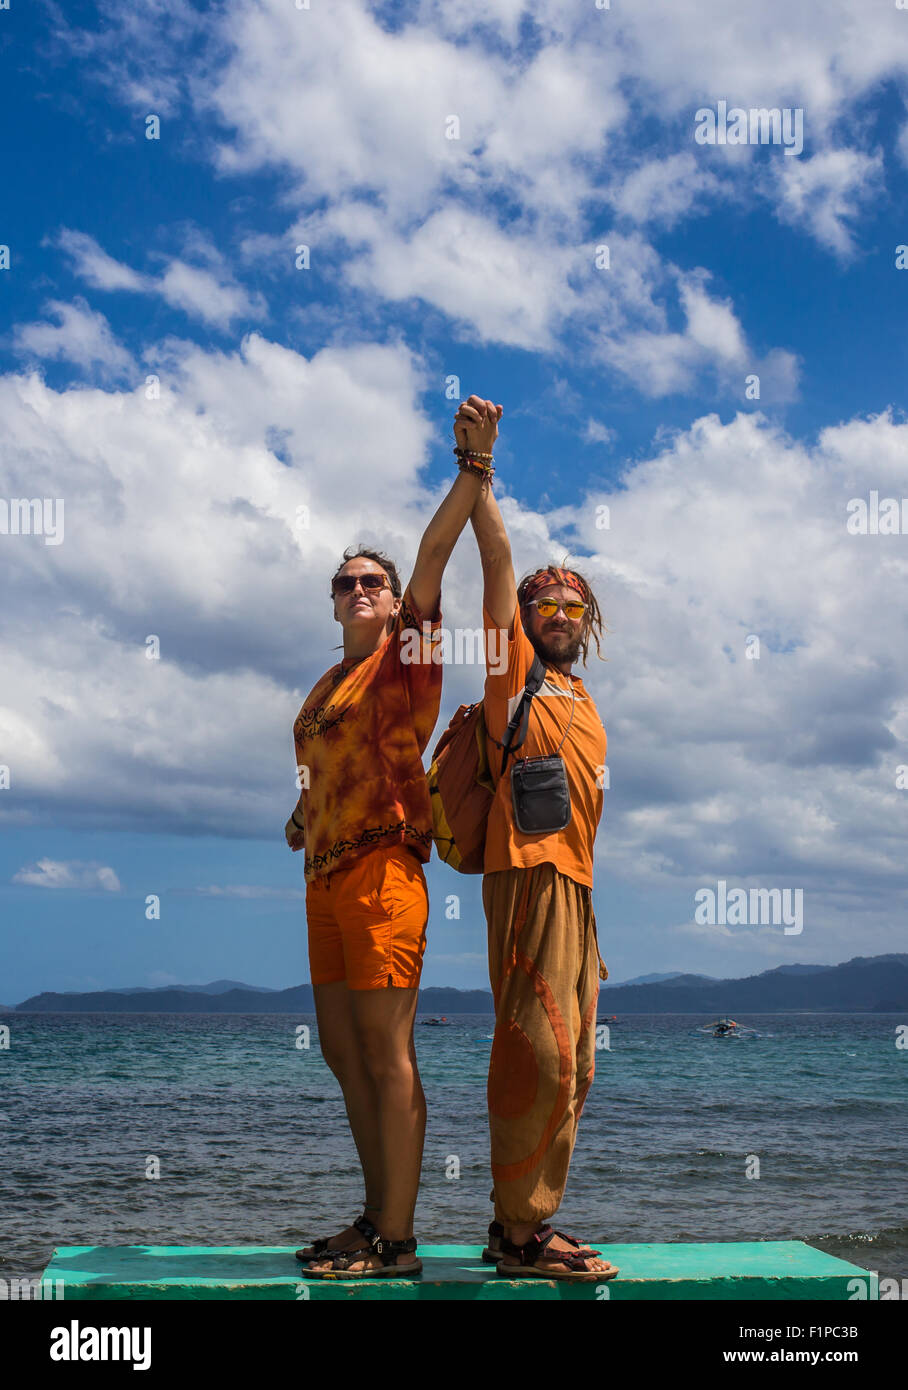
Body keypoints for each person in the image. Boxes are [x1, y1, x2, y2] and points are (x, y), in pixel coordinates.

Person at [285, 411, 499, 1278]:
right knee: (342, 1057)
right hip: (325, 875)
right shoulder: (325, 686)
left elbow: (436, 554)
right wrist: (300, 817)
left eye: (372, 578)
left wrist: (472, 466)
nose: (360, 588)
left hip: (382, 867)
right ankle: (373, 1218)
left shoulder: (406, 654)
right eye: (345, 582)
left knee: (386, 1050)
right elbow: (316, 772)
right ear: (332, 602)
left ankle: (398, 1240)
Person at [454, 394, 619, 1282]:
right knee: (536, 1047)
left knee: (577, 1065)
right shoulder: (510, 674)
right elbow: (495, 561)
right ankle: (522, 1236)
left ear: (586, 623)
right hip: (524, 879)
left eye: (570, 605)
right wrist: (479, 471)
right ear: (522, 619)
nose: (556, 610)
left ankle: (518, 1221)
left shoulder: (583, 698)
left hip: (579, 894)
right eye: (543, 603)